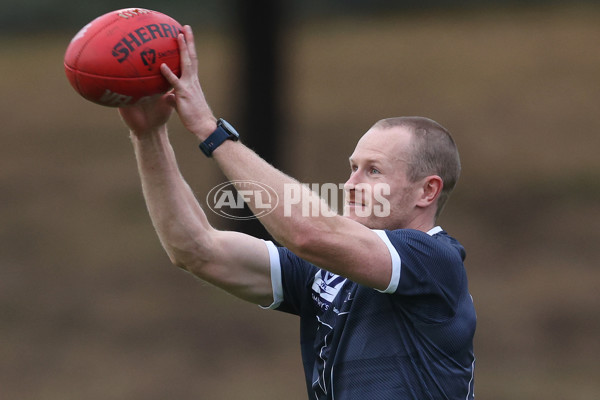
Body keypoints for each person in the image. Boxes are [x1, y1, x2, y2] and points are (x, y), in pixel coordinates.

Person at [119, 25, 476, 400]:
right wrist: (149, 137)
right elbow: (196, 250)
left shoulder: (434, 260)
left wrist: (210, 129)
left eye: (373, 170)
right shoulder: (325, 270)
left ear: (427, 191)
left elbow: (307, 232)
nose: (350, 184)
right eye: (352, 167)